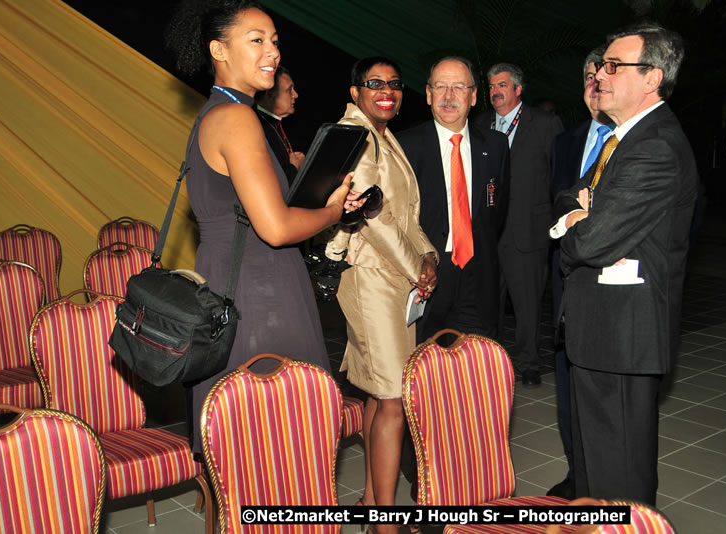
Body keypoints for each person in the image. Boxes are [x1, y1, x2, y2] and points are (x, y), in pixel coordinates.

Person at [165, 1, 359, 453]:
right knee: (279, 445)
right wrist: (332, 212)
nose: (271, 51)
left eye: (274, 41)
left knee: (250, 452)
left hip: (236, 288)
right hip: (258, 295)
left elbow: (256, 212)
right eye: (256, 40)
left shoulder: (216, 113)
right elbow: (274, 228)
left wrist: (316, 201)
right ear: (219, 50)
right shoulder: (235, 118)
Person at [550, 22, 698, 504]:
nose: (601, 74)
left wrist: (579, 222)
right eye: (601, 65)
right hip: (601, 329)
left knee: (620, 480)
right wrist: (579, 212)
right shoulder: (623, 138)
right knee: (595, 474)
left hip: (622, 334)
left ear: (652, 77)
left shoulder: (653, 146)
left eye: (615, 65)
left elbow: (589, 243)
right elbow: (567, 199)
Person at [326, 57, 437, 534]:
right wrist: (420, 269)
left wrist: (429, 255)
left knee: (376, 392)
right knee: (393, 397)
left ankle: (373, 500)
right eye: (375, 84)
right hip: (371, 278)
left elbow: (408, 216)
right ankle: (386, 524)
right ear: (355, 92)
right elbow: (374, 217)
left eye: (394, 84)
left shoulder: (383, 134)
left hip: (396, 279)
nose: (386, 90)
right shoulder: (353, 135)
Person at [397, 56, 510, 344]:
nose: (449, 96)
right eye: (441, 87)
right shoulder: (403, 147)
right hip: (425, 274)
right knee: (423, 363)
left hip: (478, 272)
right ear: (428, 94)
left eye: (459, 87)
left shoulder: (496, 146)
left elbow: (496, 213)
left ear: (473, 96)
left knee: (475, 364)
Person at [547, 46, 612, 501]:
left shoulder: (631, 141)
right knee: (567, 382)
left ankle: (604, 483)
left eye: (602, 74)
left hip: (612, 284)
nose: (595, 84)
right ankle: (576, 473)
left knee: (604, 393)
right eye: (588, 75)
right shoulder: (566, 141)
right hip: (566, 278)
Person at [473, 62, 563, 386]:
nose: (496, 92)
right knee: (488, 301)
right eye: (492, 87)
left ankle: (529, 363)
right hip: (488, 229)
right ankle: (490, 360)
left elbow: (559, 175)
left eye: (502, 86)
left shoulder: (544, 123)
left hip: (528, 227)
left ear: (518, 89)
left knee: (528, 302)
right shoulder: (481, 124)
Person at [254, 65, 304, 185]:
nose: (296, 95)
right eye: (289, 90)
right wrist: (294, 167)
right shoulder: (256, 127)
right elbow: (270, 183)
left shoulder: (274, 123)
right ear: (270, 94)